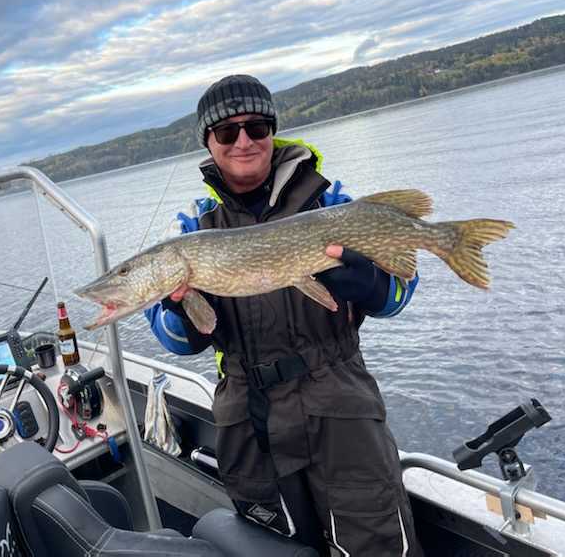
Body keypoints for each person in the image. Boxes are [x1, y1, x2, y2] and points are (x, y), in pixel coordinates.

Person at [145, 75, 423, 556]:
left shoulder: (330, 202)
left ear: (272, 130)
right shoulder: (191, 229)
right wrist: (183, 309)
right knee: (276, 550)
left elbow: (399, 294)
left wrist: (371, 285)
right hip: (250, 426)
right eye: (227, 132)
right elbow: (175, 341)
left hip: (341, 409)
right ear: (208, 142)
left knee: (376, 545)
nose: (244, 141)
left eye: (256, 127)